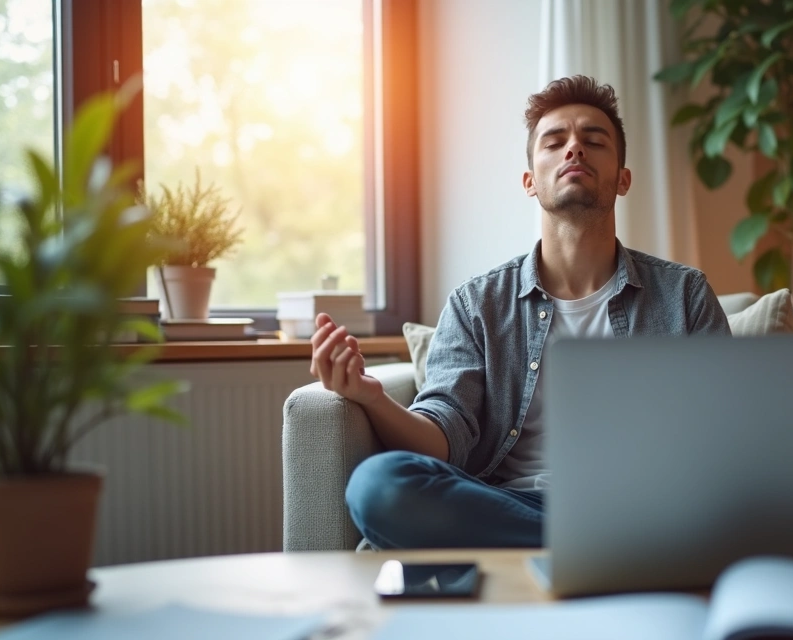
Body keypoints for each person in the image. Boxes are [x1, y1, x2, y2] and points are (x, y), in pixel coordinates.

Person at [309, 75, 730, 549]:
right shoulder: (476, 304)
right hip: (511, 505)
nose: (575, 149)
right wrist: (371, 398)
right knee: (380, 485)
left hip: (642, 507)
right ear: (530, 181)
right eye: (555, 142)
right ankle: (595, 548)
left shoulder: (683, 294)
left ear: (624, 179)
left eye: (594, 140)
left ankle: (590, 546)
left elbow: (722, 436)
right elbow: (445, 432)